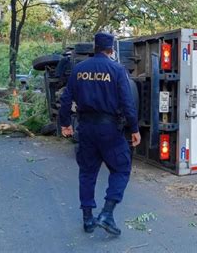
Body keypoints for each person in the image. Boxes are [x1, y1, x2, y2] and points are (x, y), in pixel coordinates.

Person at [59, 32, 141, 236]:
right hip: (109, 130)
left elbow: (66, 99)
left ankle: (88, 219)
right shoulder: (117, 69)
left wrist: (65, 124)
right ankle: (106, 213)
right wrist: (134, 129)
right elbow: (127, 103)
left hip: (85, 128)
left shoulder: (78, 70)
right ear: (111, 49)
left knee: (87, 172)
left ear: (94, 47)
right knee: (121, 168)